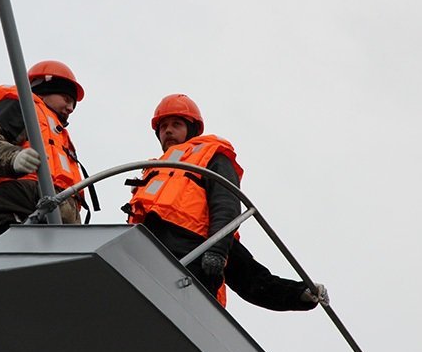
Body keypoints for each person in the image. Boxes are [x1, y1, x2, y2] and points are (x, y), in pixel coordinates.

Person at [124, 93, 326, 310]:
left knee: (247, 273)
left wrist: (217, 250)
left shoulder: (211, 157)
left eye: (176, 124)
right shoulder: (153, 170)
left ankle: (303, 293)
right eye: (163, 126)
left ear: (192, 129)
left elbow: (226, 205)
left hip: (196, 246)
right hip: (150, 248)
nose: (168, 130)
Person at [0, 60, 88, 241]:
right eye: (66, 98)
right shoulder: (21, 107)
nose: (70, 108)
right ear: (46, 89)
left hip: (54, 227)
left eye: (73, 104)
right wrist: (14, 158)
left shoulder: (56, 131)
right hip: (10, 215)